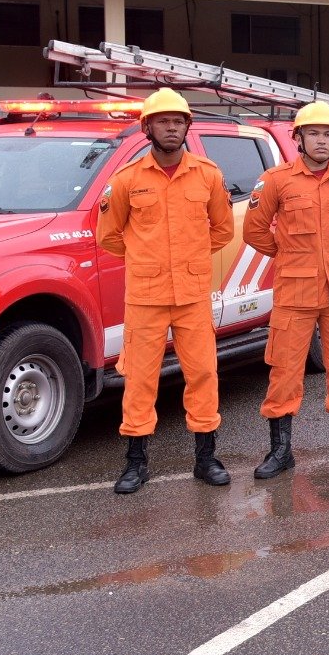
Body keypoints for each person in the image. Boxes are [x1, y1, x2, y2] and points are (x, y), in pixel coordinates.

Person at [97, 88, 235, 494]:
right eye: (163, 121)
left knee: (204, 374)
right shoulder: (126, 180)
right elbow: (109, 236)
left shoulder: (208, 174)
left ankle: (206, 457)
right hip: (145, 296)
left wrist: (188, 258)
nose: (171, 127)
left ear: (188, 127)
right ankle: (136, 462)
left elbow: (223, 229)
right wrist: (147, 257)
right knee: (140, 378)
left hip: (192, 294)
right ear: (147, 128)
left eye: (178, 121)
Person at [243, 101, 329, 478]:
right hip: (295, 291)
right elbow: (254, 230)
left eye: (328, 134)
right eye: (314, 133)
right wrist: (289, 253)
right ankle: (280, 450)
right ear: (299, 138)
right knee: (284, 369)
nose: (321, 140)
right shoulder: (276, 180)